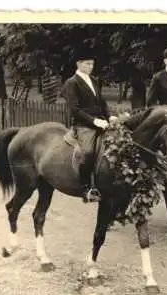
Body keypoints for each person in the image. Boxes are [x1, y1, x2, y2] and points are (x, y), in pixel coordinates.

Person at [61, 47, 114, 203]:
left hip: (101, 123)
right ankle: (86, 188)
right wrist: (94, 121)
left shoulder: (94, 80)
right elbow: (75, 110)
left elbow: (102, 102)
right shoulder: (72, 83)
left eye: (92, 64)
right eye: (87, 64)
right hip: (83, 125)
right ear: (79, 64)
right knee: (88, 152)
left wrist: (110, 117)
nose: (90, 67)